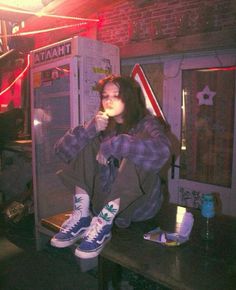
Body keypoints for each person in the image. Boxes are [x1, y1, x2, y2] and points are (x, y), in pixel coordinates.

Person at [50, 75, 171, 259]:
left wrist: (116, 144)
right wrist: (91, 129)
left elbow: (163, 152)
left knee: (137, 147)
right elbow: (60, 152)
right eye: (105, 96)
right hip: (103, 200)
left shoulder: (147, 123)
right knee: (87, 140)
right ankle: (82, 215)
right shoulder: (101, 122)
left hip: (138, 206)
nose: (109, 100)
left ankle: (104, 222)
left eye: (116, 95)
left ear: (129, 98)